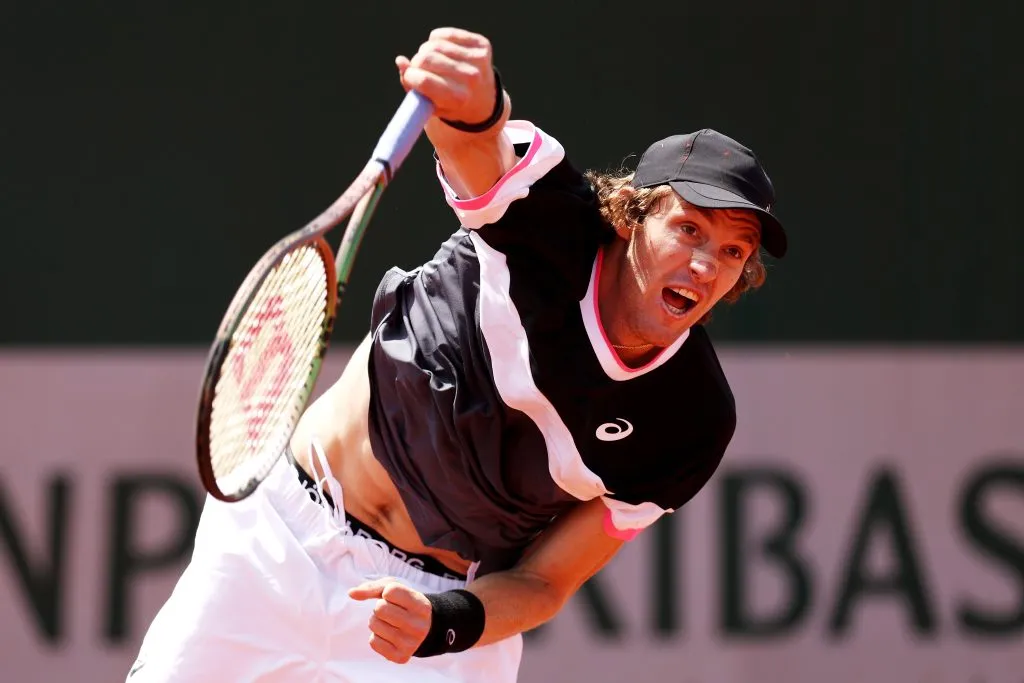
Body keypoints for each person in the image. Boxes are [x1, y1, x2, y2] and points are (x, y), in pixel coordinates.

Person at [127, 25, 788, 683]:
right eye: (688, 227)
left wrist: (441, 621)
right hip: (278, 539)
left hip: (429, 617)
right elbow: (474, 144)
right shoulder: (542, 221)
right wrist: (474, 102)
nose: (705, 264)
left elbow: (544, 579)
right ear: (630, 215)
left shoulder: (690, 421)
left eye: (732, 252)